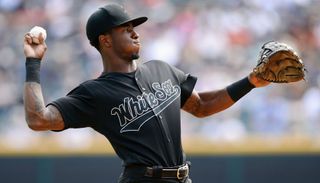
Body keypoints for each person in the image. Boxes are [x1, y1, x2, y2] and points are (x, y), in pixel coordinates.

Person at [23, 3, 270, 183]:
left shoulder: (162, 70)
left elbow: (202, 105)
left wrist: (251, 81)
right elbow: (39, 119)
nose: (135, 33)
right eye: (125, 28)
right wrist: (33, 63)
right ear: (105, 40)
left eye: (134, 27)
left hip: (183, 178)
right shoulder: (94, 92)